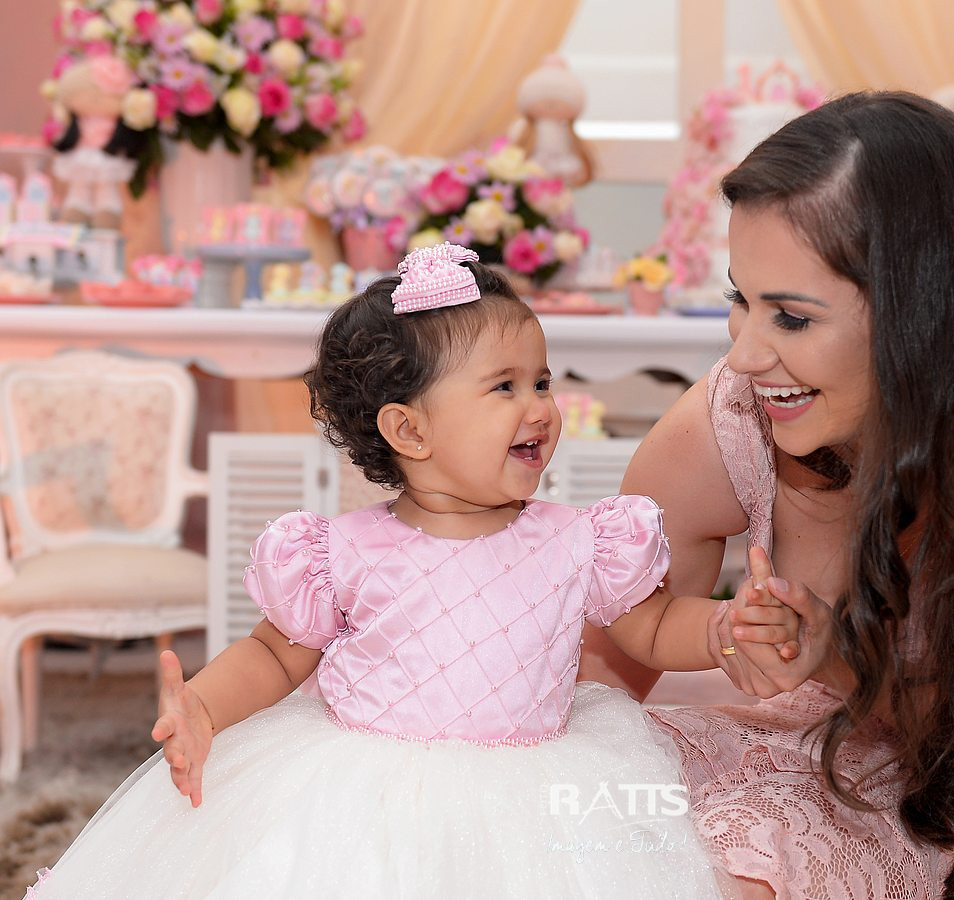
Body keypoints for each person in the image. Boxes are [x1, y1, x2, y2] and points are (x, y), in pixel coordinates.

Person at [27, 244, 800, 899]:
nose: (539, 407)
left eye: (541, 381)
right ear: (410, 430)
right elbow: (272, 655)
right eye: (504, 387)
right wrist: (204, 706)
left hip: (532, 793)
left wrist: (724, 628)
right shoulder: (344, 551)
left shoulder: (578, 540)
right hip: (360, 791)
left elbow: (653, 627)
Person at [579, 92, 954, 899]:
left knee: (733, 878)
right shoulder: (735, 414)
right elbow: (601, 674)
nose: (746, 354)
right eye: (740, 300)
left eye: (791, 318)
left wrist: (840, 658)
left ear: (925, 314)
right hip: (825, 732)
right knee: (598, 835)